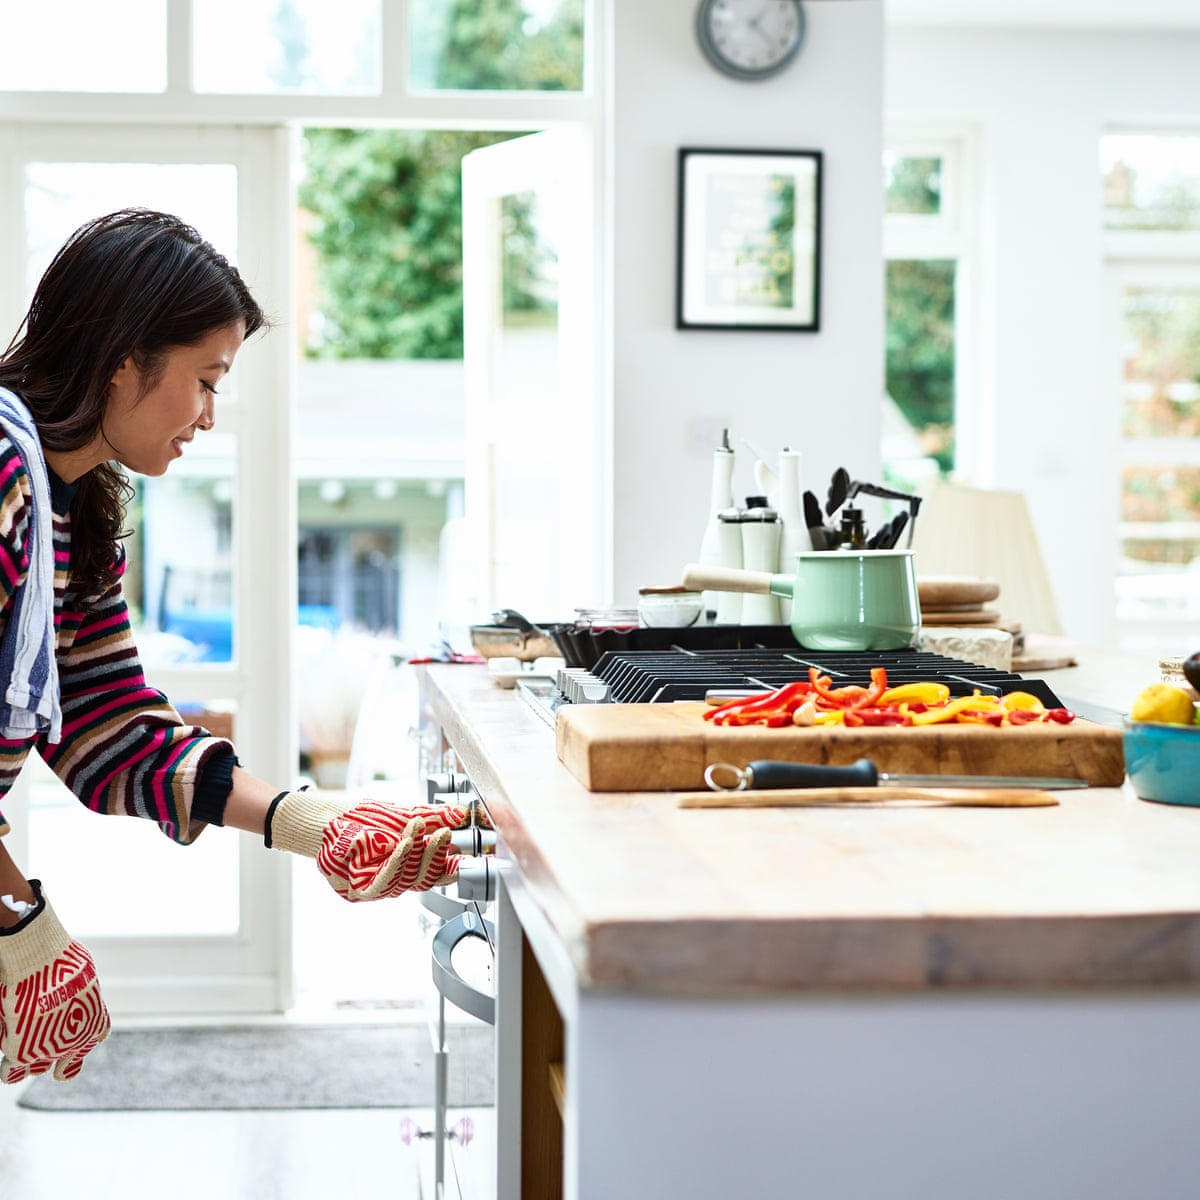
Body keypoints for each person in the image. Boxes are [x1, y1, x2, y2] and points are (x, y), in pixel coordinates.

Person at [0, 209, 472, 1086]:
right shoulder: (1, 477)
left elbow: (111, 733)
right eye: (206, 379)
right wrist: (16, 917)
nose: (210, 416)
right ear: (121, 360)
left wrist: (312, 823)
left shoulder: (76, 511)